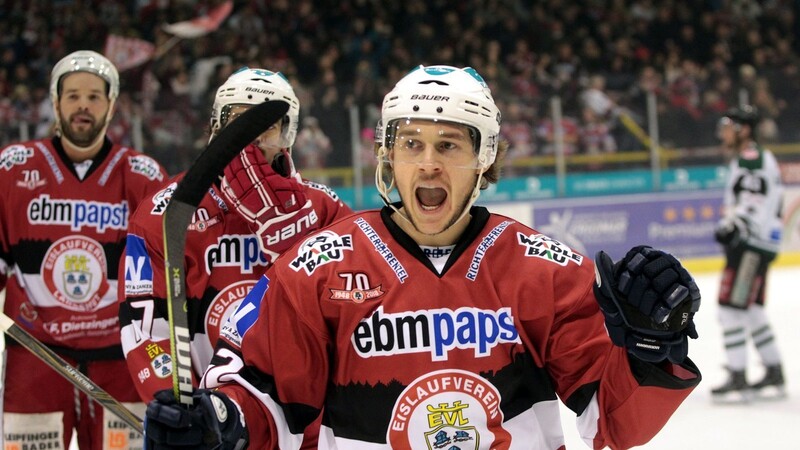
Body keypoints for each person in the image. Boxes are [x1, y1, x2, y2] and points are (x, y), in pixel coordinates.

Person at [142, 65, 702, 450]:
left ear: (484, 159)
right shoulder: (317, 266)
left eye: (450, 144)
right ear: (387, 156)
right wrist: (220, 421)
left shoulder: (544, 268)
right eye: (411, 144)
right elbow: (263, 397)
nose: (428, 163)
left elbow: (614, 423)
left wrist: (653, 349)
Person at [118, 67, 352, 404]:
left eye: (266, 126)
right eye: (239, 121)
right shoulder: (166, 211)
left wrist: (292, 242)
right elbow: (145, 327)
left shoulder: (323, 209)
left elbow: (356, 316)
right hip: (210, 416)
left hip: (302, 419)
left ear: (287, 134)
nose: (251, 137)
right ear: (217, 126)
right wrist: (176, 403)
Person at [0, 50, 167, 449]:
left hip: (123, 359)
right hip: (34, 356)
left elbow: (164, 277)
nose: (82, 106)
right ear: (55, 103)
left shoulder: (143, 177)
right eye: (72, 95)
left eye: (94, 97)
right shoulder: (13, 169)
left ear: (110, 106)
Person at [711, 105, 786, 402]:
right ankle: (774, 370)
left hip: (750, 247)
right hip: (759, 244)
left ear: (743, 129)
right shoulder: (756, 157)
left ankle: (738, 376)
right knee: (752, 309)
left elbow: (754, 199)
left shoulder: (751, 158)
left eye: (728, 126)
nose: (723, 132)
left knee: (729, 309)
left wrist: (736, 226)